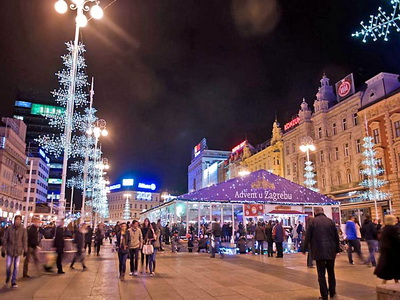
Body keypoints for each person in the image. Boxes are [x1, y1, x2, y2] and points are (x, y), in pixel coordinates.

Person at [303, 207, 339, 300]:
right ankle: (332, 292)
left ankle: (324, 295)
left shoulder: (312, 222)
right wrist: (337, 249)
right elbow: (336, 236)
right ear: (323, 212)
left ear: (315, 212)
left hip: (319, 251)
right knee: (331, 272)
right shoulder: (331, 221)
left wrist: (303, 248)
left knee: (321, 274)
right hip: (331, 251)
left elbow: (308, 236)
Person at [1, 215, 27, 288]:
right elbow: (5, 239)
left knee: (16, 266)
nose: (18, 221)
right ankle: (8, 276)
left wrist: (25, 250)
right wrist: (3, 250)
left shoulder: (23, 230)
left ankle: (13, 281)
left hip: (18, 251)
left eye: (19, 219)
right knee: (8, 266)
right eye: (17, 219)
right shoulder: (9, 229)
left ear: (21, 220)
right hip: (10, 250)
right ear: (14, 220)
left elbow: (25, 240)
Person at [374, 214, 400, 284]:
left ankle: (386, 284)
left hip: (386, 251)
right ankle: (395, 284)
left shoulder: (384, 228)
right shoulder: (392, 228)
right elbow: (396, 239)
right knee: (394, 269)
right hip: (392, 252)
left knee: (387, 271)